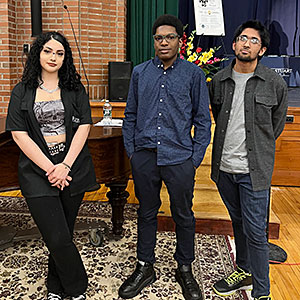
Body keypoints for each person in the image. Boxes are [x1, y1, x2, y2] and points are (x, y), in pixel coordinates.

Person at [120, 14, 211, 300]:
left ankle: (184, 268)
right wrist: (133, 153)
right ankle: (145, 266)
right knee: (146, 212)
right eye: (159, 38)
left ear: (179, 41)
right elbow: (130, 115)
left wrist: (194, 158)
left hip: (179, 157)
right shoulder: (140, 73)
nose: (163, 42)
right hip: (145, 155)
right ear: (154, 41)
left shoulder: (194, 75)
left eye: (169, 37)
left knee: (183, 214)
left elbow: (203, 121)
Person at [6, 31, 99, 300]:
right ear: (38, 53)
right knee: (56, 236)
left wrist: (65, 165)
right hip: (37, 171)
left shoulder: (74, 87)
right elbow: (18, 133)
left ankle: (55, 287)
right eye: (48, 51)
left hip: (72, 167)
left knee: (63, 235)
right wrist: (51, 168)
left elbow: (84, 125)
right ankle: (78, 288)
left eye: (59, 53)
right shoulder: (22, 90)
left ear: (65, 58)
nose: (53, 57)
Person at [209, 20, 288, 300]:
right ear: (234, 44)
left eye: (253, 40)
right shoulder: (219, 80)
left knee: (256, 232)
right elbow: (219, 116)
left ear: (262, 49)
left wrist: (258, 148)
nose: (246, 43)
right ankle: (242, 271)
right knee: (238, 223)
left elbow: (276, 124)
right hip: (225, 169)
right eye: (242, 38)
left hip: (254, 172)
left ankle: (262, 292)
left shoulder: (274, 82)